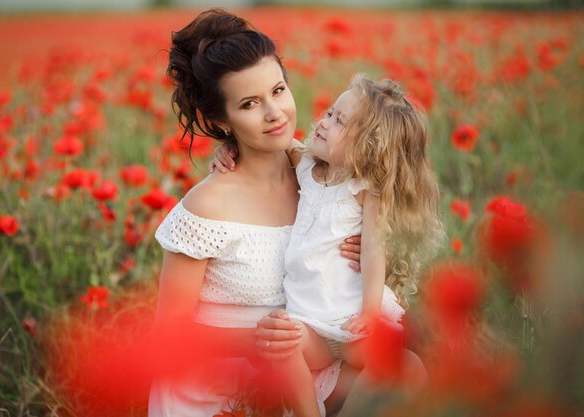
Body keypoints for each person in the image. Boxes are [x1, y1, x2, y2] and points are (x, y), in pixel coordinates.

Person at [148, 9, 363, 417]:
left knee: (406, 371)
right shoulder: (207, 206)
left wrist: (366, 248)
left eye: (278, 91)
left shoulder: (317, 179)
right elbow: (168, 335)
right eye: (249, 104)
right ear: (220, 121)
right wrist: (259, 341)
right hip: (216, 391)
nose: (275, 113)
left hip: (301, 370)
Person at [212, 74, 443, 416]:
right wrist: (229, 146)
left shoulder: (364, 189)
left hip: (351, 319)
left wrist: (369, 312)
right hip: (309, 321)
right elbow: (268, 145)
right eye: (330, 113)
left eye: (339, 121)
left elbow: (373, 249)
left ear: (368, 147)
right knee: (283, 339)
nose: (323, 122)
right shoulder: (305, 164)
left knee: (394, 360)